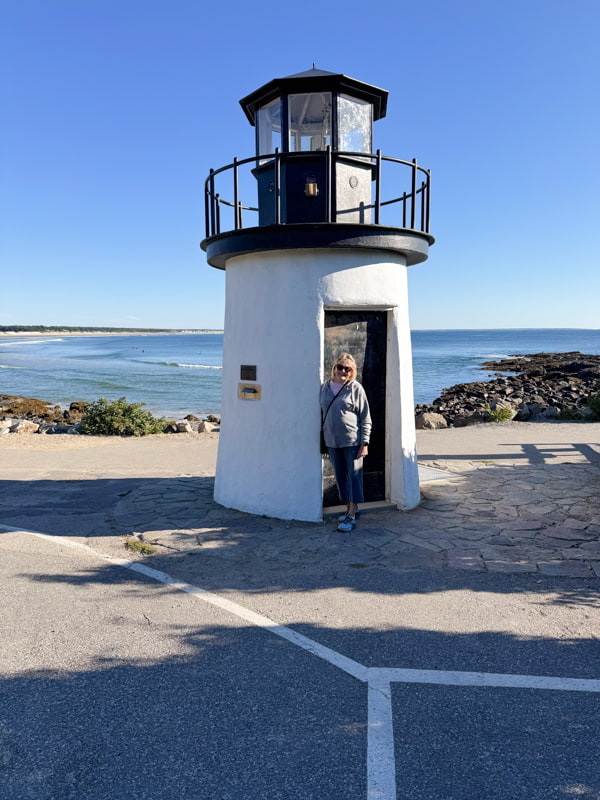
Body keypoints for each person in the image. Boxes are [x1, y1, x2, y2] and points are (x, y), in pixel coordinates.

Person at [320, 353, 372, 532]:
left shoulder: (355, 388)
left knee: (354, 477)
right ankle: (350, 507)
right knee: (341, 478)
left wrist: (364, 443)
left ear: (352, 372)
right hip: (332, 442)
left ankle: (351, 514)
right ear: (334, 368)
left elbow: (365, 417)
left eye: (347, 369)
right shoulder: (325, 387)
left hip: (352, 441)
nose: (343, 371)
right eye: (340, 367)